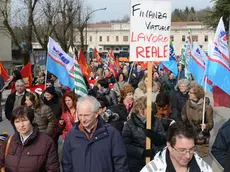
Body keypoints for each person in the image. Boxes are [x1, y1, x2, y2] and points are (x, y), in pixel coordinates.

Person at [62, 96, 129, 172]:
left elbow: (120, 164)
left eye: (86, 115)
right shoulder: (71, 135)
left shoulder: (111, 134)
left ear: (96, 114)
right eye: (80, 115)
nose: (83, 119)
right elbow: (67, 163)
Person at [0, 106, 60, 171]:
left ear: (31, 120)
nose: (21, 125)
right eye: (17, 121)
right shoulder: (9, 141)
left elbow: (53, 168)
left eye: (24, 120)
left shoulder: (46, 142)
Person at [140, 121, 213, 172]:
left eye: (191, 149)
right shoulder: (151, 170)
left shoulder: (204, 168)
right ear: (169, 146)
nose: (188, 156)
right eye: (182, 150)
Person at [122, 96, 166, 172]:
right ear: (140, 109)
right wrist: (142, 152)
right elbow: (125, 145)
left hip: (154, 162)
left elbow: (163, 140)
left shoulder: (156, 121)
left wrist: (154, 136)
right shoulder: (129, 124)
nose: (151, 109)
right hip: (136, 163)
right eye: (148, 108)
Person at [181, 84, 214, 157]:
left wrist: (206, 126)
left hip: (201, 138)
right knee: (188, 158)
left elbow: (211, 123)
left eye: (191, 92)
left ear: (197, 94)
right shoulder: (187, 103)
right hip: (189, 135)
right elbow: (183, 113)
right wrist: (184, 120)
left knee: (199, 161)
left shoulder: (207, 107)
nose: (188, 93)